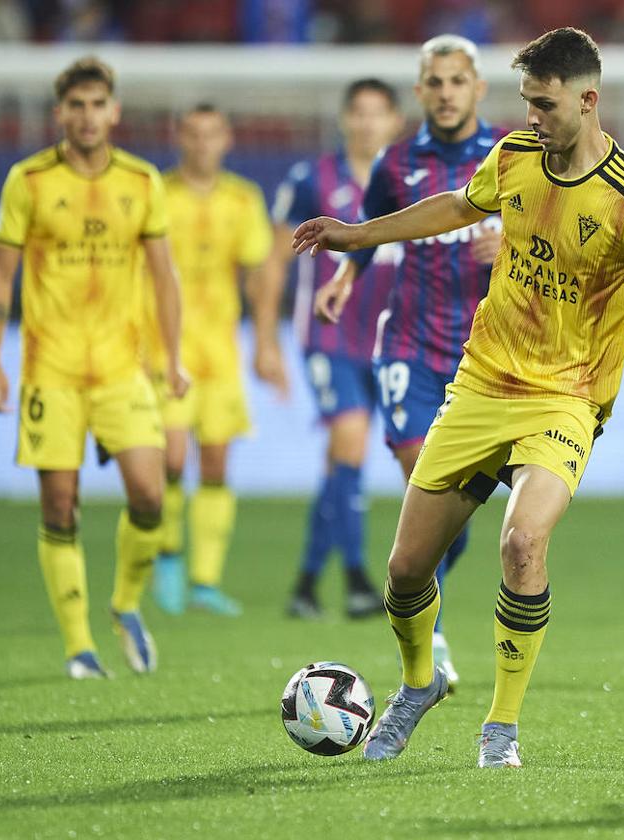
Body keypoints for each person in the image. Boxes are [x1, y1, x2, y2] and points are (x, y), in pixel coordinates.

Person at [295, 26, 624, 768]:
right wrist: (358, 236)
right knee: (407, 570)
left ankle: (500, 726)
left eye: (544, 104)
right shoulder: (512, 158)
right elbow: (453, 206)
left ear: (587, 99)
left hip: (566, 399)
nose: (531, 116)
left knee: (521, 542)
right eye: (526, 102)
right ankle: (418, 685)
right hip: (480, 383)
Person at [0, 56, 187, 678]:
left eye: (98, 104)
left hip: (123, 369)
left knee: (151, 496)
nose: (88, 116)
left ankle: (124, 604)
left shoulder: (142, 181)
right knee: (59, 506)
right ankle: (80, 648)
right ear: (60, 113)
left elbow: (165, 279)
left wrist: (173, 359)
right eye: (76, 105)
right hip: (52, 370)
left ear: (114, 111)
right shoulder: (30, 180)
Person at [335, 34, 504, 687]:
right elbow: (370, 226)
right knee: (421, 479)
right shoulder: (397, 162)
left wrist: (511, 240)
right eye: (434, 82)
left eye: (457, 81)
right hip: (407, 342)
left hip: (486, 358)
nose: (445, 92)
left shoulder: (513, 156)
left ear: (478, 88)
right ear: (420, 91)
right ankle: (428, 631)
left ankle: (416, 589)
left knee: (450, 508)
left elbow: (553, 234)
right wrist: (344, 278)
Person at [257, 78, 405, 620]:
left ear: (394, 121)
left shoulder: (410, 181)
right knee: (349, 445)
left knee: (340, 467)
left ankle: (306, 582)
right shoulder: (310, 179)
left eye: (377, 113)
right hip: (331, 338)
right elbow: (275, 262)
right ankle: (360, 578)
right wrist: (266, 339)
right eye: (358, 113)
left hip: (396, 343)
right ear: (345, 120)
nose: (367, 123)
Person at [145, 103, 278, 617]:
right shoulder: (155, 193)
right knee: (173, 457)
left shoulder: (243, 199)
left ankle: (204, 580)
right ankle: (169, 556)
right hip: (164, 346)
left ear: (226, 139)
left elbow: (258, 278)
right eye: (193, 135)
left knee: (217, 462)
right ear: (180, 138)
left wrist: (266, 343)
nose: (202, 144)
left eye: (211, 135)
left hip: (219, 351)